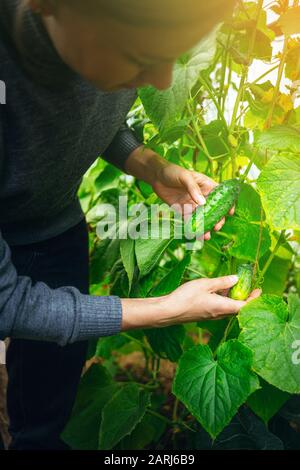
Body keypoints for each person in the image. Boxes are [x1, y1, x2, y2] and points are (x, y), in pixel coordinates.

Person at [0, 0, 261, 450]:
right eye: (142, 59)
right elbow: (7, 301)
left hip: (54, 226)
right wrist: (166, 310)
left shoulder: (107, 38)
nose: (162, 81)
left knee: (49, 404)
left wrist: (149, 165)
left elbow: (95, 112)